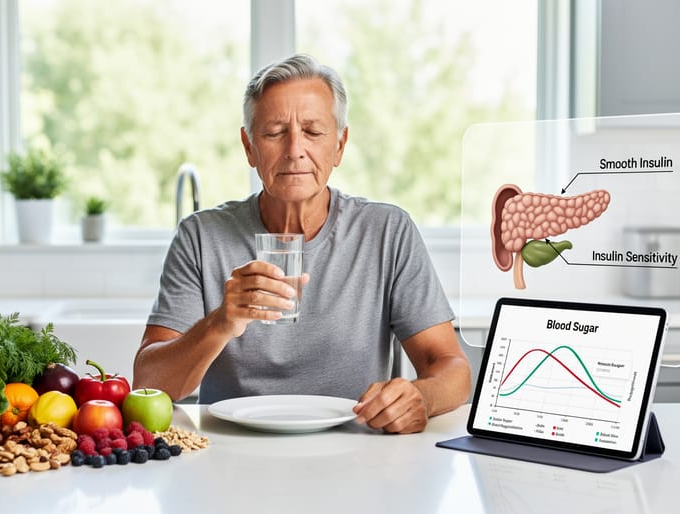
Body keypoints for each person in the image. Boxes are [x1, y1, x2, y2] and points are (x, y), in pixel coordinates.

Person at [133, 53, 470, 434]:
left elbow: (451, 368)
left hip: (358, 448)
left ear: (339, 145)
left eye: (313, 132)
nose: (295, 149)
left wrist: (421, 397)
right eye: (275, 132)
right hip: (230, 455)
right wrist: (220, 323)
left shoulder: (387, 232)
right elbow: (149, 383)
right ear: (248, 147)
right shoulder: (200, 237)